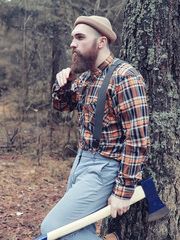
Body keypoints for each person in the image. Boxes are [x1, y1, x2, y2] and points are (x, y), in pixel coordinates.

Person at [40, 15, 150, 240]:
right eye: (73, 38)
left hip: (103, 169)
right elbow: (61, 105)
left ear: (101, 42)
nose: (72, 43)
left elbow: (137, 139)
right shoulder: (85, 78)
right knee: (79, 229)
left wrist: (124, 190)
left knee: (52, 229)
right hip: (81, 163)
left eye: (80, 37)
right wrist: (65, 83)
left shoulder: (125, 76)